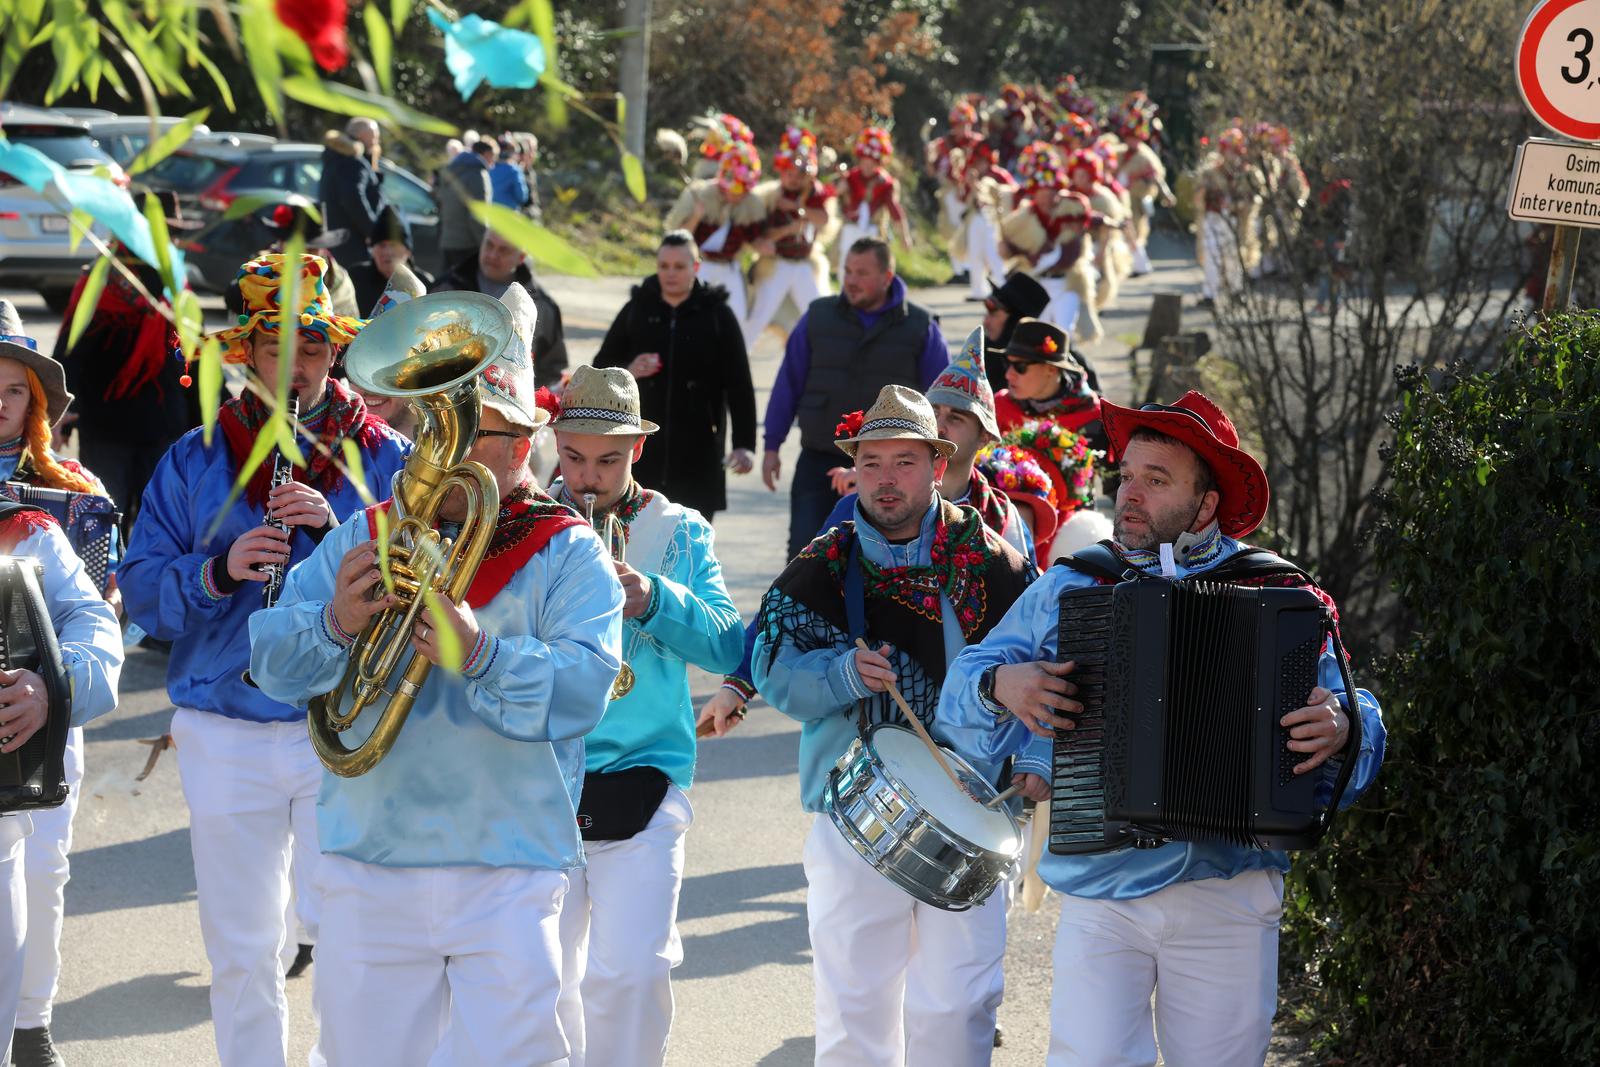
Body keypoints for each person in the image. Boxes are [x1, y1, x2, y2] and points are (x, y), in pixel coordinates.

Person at [938, 390, 1387, 1067]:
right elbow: (962, 692)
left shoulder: (1280, 596)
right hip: (1100, 888)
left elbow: (1355, 717)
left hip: (1229, 892)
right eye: (1127, 476)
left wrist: (1345, 727)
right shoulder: (1073, 585)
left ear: (1205, 504)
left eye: (1157, 479)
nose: (1130, 493)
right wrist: (999, 684)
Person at [247, 295, 624, 1067]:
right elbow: (269, 663)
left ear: (523, 445)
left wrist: (480, 653)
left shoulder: (570, 551)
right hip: (369, 860)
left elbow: (586, 686)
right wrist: (336, 624)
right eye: (434, 422)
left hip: (510, 866)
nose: (441, 446)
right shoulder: (364, 535)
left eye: (475, 429)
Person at [120, 254, 411, 1067]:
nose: (298, 365)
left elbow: (428, 580)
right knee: (243, 947)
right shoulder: (194, 456)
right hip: (225, 727)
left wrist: (337, 526)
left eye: (314, 346)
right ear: (247, 353)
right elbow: (140, 589)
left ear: (335, 351)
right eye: (278, 347)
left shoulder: (385, 456)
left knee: (351, 935)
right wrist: (216, 571)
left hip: (343, 722)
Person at [751, 385, 1034, 1067]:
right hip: (854, 813)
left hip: (975, 804)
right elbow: (772, 670)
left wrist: (1036, 759)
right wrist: (842, 674)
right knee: (856, 1010)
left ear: (938, 464)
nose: (885, 479)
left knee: (960, 1004)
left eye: (904, 462)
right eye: (870, 462)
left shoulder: (995, 563)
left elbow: (1047, 662)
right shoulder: (822, 566)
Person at [542, 366, 742, 1067]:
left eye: (609, 460)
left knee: (632, 972)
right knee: (541, 979)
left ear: (638, 450)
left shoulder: (679, 530)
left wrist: (654, 597)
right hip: (537, 779)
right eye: (573, 458)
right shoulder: (527, 520)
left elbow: (727, 643)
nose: (587, 479)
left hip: (646, 775)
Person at [0, 313, 124, 1067]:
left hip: (43, 711)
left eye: (13, 390)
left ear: (35, 403)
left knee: (41, 870)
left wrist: (58, 676)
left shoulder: (72, 494)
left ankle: (31, 1019)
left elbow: (103, 607)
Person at [762, 236, 950, 560]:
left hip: (890, 468)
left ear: (886, 277)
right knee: (804, 557)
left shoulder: (920, 327)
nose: (851, 280)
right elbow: (787, 383)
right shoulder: (817, 317)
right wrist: (771, 445)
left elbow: (941, 401)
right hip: (819, 459)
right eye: (847, 271)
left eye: (862, 273)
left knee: (883, 558)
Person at [51, 207, 200, 536]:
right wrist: (60, 411)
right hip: (107, 430)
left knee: (161, 525)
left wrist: (208, 424)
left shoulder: (177, 287)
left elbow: (196, 361)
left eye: (172, 235)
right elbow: (70, 354)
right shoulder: (101, 284)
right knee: (103, 520)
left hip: (165, 430)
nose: (169, 242)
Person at [592, 231, 756, 520]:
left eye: (679, 266)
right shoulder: (637, 309)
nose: (670, 274)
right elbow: (600, 368)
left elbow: (739, 383)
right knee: (636, 539)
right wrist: (630, 369)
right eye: (663, 266)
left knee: (690, 541)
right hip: (641, 454)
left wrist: (744, 445)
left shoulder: (717, 315)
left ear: (696, 267)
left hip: (699, 453)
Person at [432, 229, 570, 391]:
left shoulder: (542, 306)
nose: (493, 255)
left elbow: (551, 370)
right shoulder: (445, 290)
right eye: (489, 245)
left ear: (521, 257)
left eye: (504, 250)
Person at [744, 125, 838, 349]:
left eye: (799, 175)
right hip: (777, 263)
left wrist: (798, 208)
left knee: (820, 314)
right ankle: (738, 357)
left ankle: (831, 356)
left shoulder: (813, 193)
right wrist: (788, 229)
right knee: (758, 317)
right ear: (781, 171)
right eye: (789, 174)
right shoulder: (769, 196)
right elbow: (760, 235)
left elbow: (823, 219)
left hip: (804, 264)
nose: (794, 179)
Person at [997, 145, 1101, 342]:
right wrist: (1007, 250)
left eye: (1052, 191)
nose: (1047, 197)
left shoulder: (1072, 209)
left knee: (1064, 334)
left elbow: (1088, 225)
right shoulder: (1023, 218)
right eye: (1042, 192)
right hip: (1037, 283)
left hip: (1067, 282)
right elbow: (1012, 246)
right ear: (1034, 193)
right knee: (1039, 336)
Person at [663, 141, 767, 325]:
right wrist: (696, 216)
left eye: (741, 192)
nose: (736, 196)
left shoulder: (750, 206)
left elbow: (754, 240)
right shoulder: (701, 194)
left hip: (729, 267)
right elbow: (680, 236)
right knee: (691, 318)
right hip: (700, 266)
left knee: (737, 317)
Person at [993, 319, 1106, 456]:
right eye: (1007, 363)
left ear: (1051, 369)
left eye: (1020, 367)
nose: (1008, 375)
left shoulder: (1095, 419)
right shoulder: (999, 407)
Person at [835, 128, 913, 278]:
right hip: (850, 227)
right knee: (845, 265)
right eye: (864, 162)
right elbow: (834, 196)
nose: (867, 167)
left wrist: (905, 236)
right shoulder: (851, 177)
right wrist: (840, 189)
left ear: (879, 162)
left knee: (869, 268)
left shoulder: (886, 183)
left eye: (871, 163)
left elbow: (895, 210)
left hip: (872, 230)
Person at [347, 206, 434, 316]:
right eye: (382, 245)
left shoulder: (424, 283)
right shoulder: (355, 278)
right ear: (372, 251)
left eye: (393, 245)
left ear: (408, 251)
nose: (388, 252)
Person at [318, 118, 388, 247]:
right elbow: (352, 198)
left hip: (339, 237)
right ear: (361, 136)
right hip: (352, 241)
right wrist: (373, 231)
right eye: (374, 137)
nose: (377, 142)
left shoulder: (337, 158)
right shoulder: (352, 162)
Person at [978, 270, 1050, 394]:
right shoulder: (980, 352)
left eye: (993, 313)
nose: (985, 322)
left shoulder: (1044, 363)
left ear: (1015, 322)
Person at [438, 140, 497, 268]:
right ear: (487, 154)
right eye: (494, 156)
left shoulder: (450, 170)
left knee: (448, 280)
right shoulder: (478, 174)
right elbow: (478, 214)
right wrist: (484, 244)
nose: (494, 162)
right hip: (468, 244)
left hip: (447, 240)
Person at [490, 136, 531, 211]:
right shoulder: (514, 170)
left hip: (491, 211)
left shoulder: (490, 167)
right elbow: (522, 196)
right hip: (509, 212)